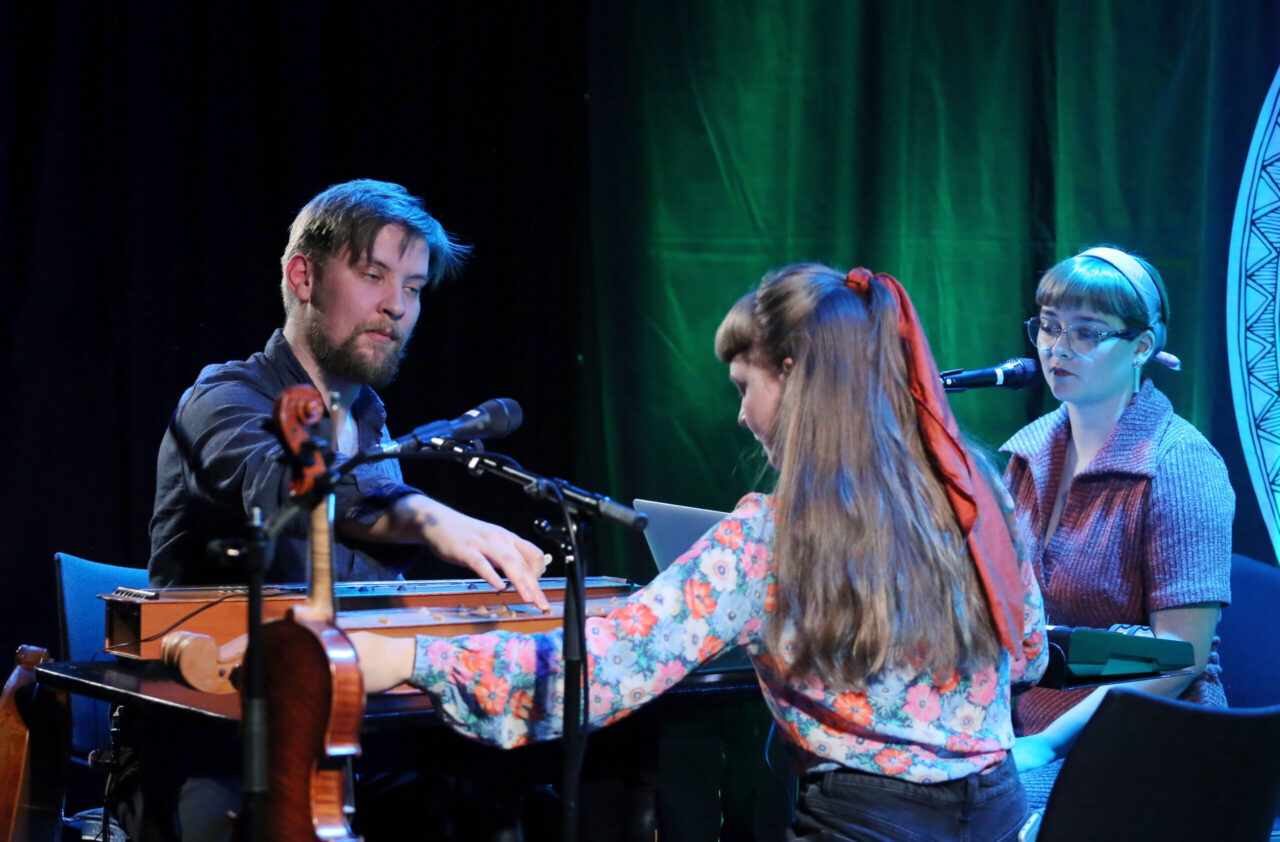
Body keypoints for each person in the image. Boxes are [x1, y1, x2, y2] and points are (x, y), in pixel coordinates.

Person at [355, 263, 1049, 840]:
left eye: (747, 388)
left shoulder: (771, 539)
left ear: (794, 375)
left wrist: (413, 659)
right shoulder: (979, 491)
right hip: (995, 810)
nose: (742, 417)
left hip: (868, 823)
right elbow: (1031, 651)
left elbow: (603, 669)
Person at [149, 178, 548, 608]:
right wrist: (429, 518)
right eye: (373, 275)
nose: (396, 305)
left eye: (412, 288)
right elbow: (285, 479)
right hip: (214, 666)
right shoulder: (221, 399)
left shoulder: (373, 426)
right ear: (303, 278)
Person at [1000, 246, 1234, 808]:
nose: (1057, 348)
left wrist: (1048, 744)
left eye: (1087, 333)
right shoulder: (1028, 456)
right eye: (1050, 327)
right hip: (1027, 729)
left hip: (1150, 743)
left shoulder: (1180, 464)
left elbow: (1180, 656)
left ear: (1142, 347)